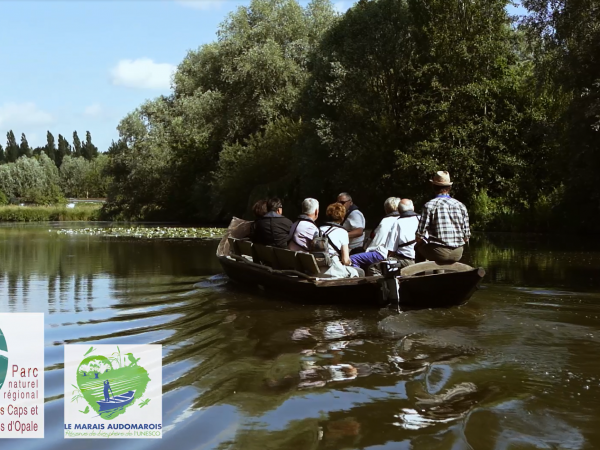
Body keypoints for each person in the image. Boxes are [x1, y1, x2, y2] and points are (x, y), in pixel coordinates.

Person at [415, 171, 470, 263]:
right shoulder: (461, 205)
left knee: (418, 247)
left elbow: (420, 235)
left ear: (433, 187)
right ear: (449, 187)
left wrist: (420, 242)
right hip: (458, 253)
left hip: (439, 252)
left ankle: (419, 275)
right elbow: (466, 237)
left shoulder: (429, 205)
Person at [349, 197, 400, 271]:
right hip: (397, 253)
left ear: (386, 209)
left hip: (383, 253)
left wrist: (367, 250)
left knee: (353, 258)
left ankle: (358, 278)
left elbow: (378, 241)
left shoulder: (386, 221)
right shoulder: (403, 220)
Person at [318, 203, 363, 278]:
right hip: (333, 269)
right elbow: (345, 260)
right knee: (360, 272)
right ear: (342, 217)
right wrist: (349, 262)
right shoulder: (342, 232)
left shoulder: (319, 229)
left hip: (318, 269)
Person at [387, 198, 420, 268]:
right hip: (422, 260)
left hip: (406, 261)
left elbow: (391, 249)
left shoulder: (397, 223)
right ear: (413, 208)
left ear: (399, 210)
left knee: (374, 267)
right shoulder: (421, 219)